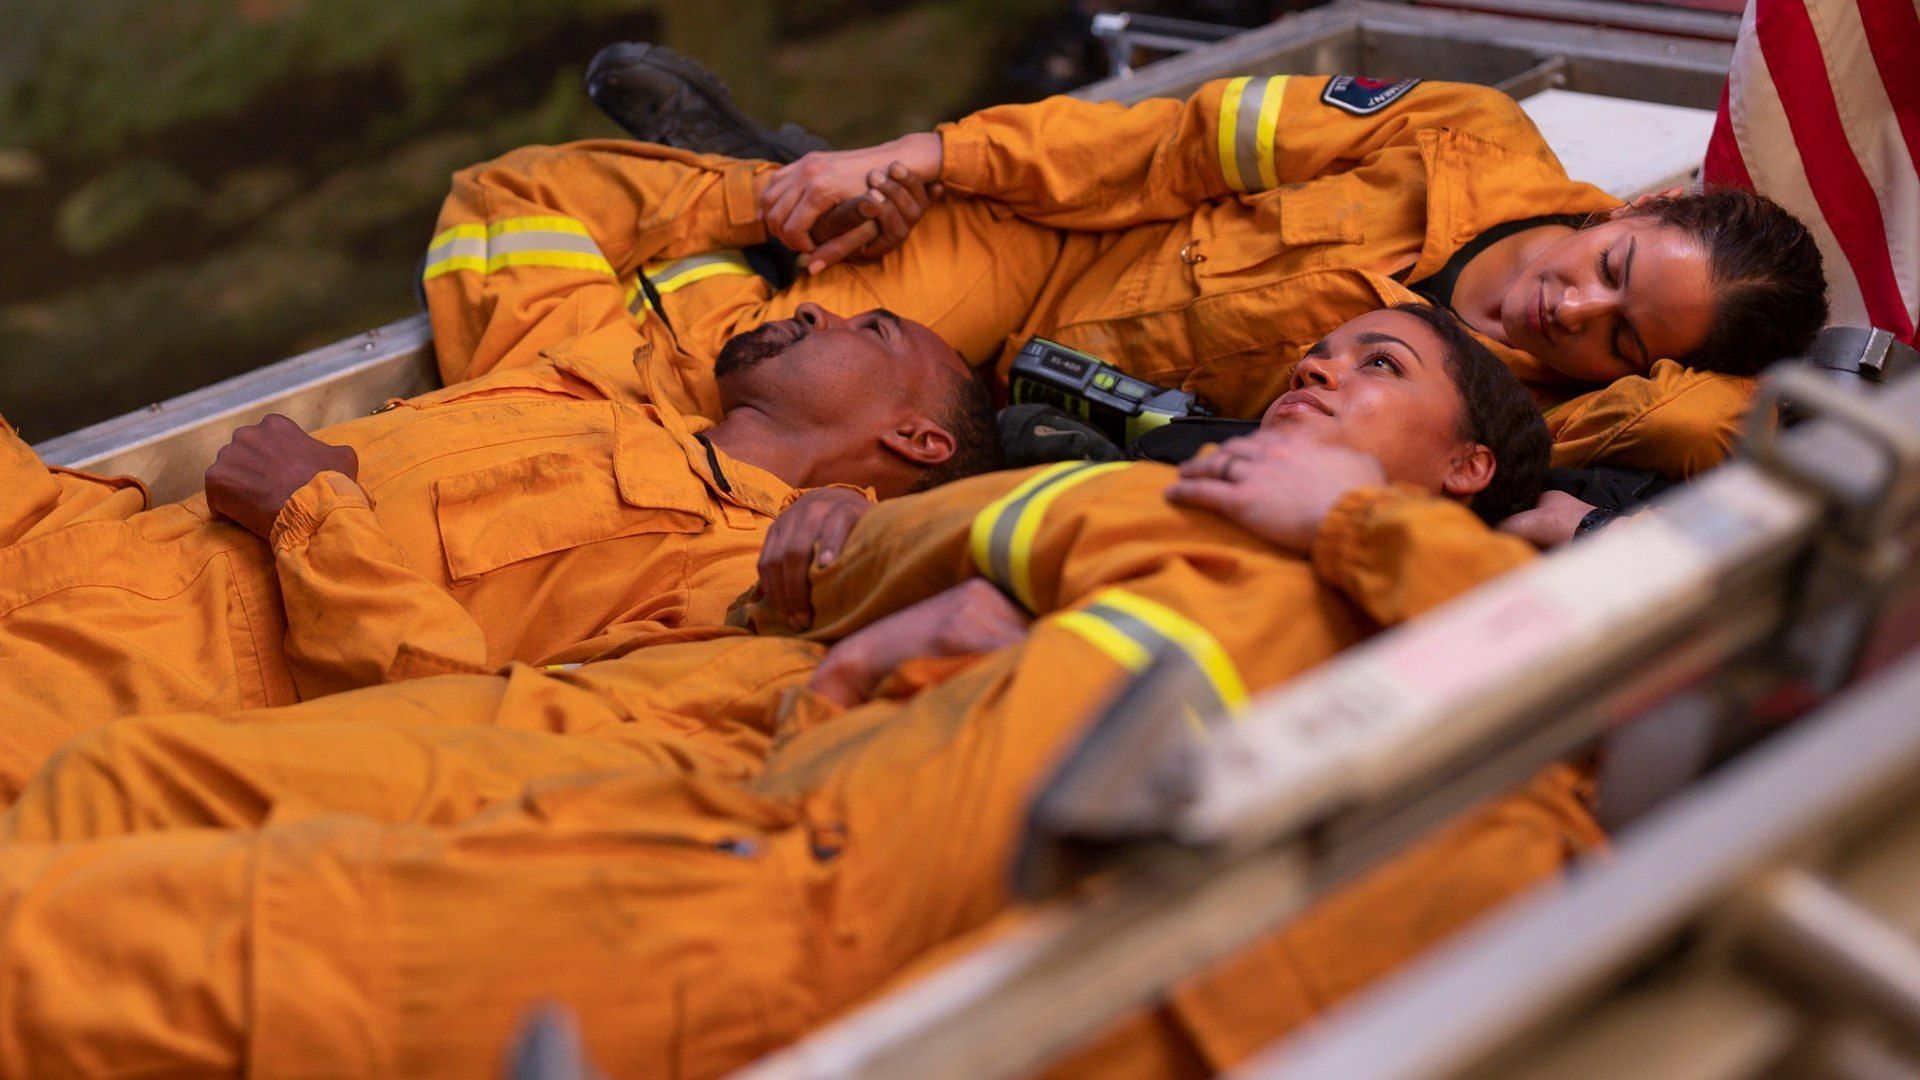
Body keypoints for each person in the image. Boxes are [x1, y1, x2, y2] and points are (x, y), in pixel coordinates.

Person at [0, 307, 1600, 1079]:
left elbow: (1566, 666)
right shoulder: (1162, 536)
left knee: (67, 936)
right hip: (676, 836)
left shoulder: (1428, 633)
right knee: (110, 819)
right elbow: (844, 649)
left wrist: (316, 517)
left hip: (705, 902)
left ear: (1467, 482)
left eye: (1378, 370)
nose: (1320, 369)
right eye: (1322, 352)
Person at [0, 179, 1000, 798]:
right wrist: (772, 191)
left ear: (913, 437)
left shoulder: (740, 589)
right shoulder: (604, 380)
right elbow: (512, 198)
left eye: (871, 331)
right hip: (59, 529)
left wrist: (314, 516)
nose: (821, 310)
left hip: (110, 695)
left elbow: (476, 745)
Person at [562, 47, 1826, 488]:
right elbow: (1162, 145)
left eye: (1622, 333)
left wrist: (1686, 375)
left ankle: (764, 192)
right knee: (734, 368)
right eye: (1613, 263)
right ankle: (767, 176)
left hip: (1060, 416)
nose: (1575, 307)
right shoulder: (1459, 133)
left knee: (781, 438)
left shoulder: (1519, 416)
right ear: (1636, 202)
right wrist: (929, 150)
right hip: (1051, 257)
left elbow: (1709, 423)